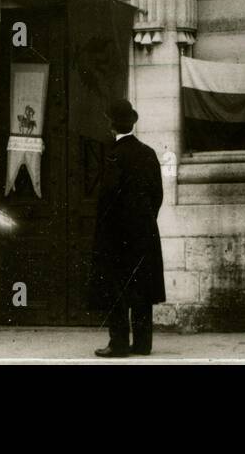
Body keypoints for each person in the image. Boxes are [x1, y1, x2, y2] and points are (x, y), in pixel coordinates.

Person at [88, 99, 165, 358]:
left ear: (111, 125)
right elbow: (158, 195)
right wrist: (144, 222)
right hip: (144, 233)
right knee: (141, 288)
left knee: (116, 289)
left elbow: (108, 198)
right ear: (132, 123)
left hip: (117, 236)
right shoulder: (149, 153)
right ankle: (143, 344)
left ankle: (119, 344)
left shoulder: (113, 155)